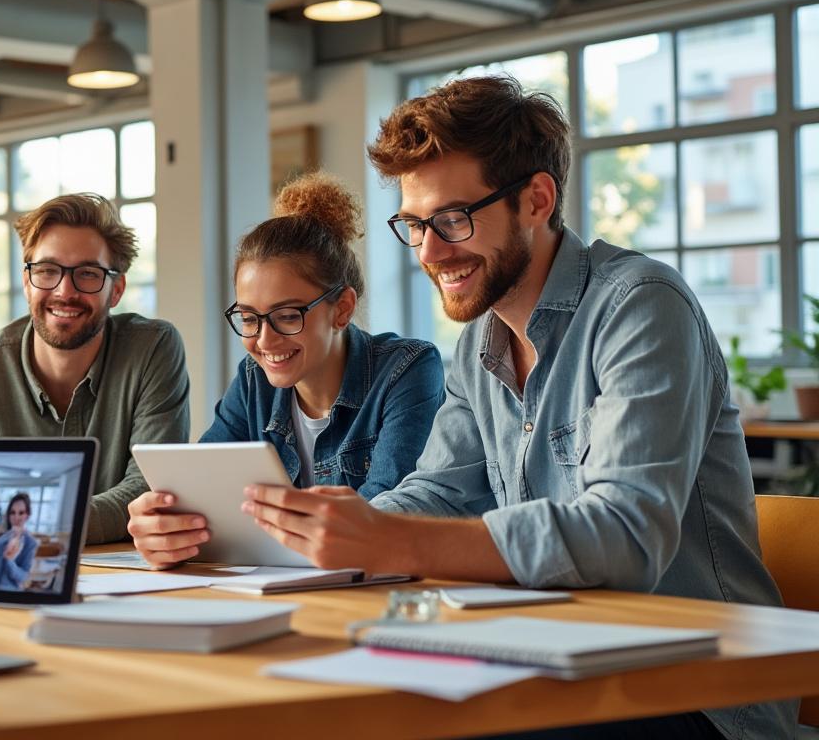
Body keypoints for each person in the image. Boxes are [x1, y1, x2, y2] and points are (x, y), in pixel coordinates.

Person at [240, 76, 793, 739]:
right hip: (557, 660)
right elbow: (439, 494)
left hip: (696, 695)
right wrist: (306, 535)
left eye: (452, 219)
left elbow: (624, 537)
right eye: (413, 225)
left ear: (536, 199)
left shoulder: (641, 305)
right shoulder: (480, 342)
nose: (428, 252)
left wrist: (386, 537)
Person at [126, 173, 444, 568]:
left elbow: (379, 522)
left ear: (342, 308)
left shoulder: (407, 369)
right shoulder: (252, 380)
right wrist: (167, 527)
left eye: (287, 316)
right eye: (248, 318)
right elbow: (202, 492)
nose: (264, 340)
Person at [0, 193, 190, 544]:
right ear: (27, 282)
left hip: (126, 578)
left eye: (87, 274)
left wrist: (22, 524)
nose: (64, 291)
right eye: (47, 271)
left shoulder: (152, 349)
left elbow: (150, 489)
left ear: (116, 289)